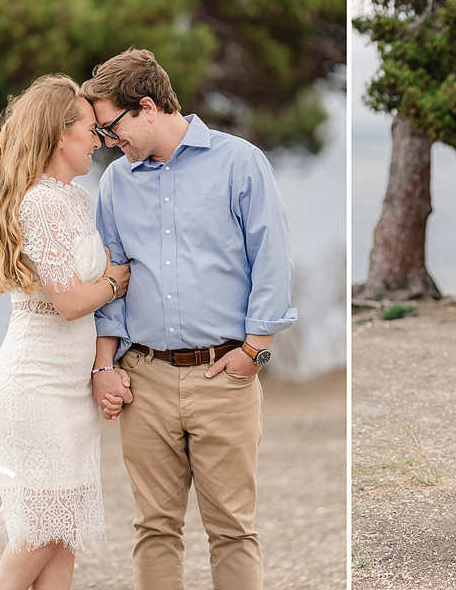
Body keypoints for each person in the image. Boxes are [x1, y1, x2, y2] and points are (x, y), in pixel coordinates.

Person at [82, 48, 296, 590]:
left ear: (146, 107)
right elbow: (114, 281)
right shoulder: (115, 184)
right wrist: (104, 365)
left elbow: (271, 263)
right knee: (153, 528)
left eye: (110, 128)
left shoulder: (240, 161)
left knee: (231, 529)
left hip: (224, 374)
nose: (107, 143)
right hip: (145, 378)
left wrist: (255, 353)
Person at [0, 74, 131, 590]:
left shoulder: (77, 200)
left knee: (65, 534)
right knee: (39, 529)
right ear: (61, 135)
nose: (99, 139)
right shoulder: (39, 202)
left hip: (71, 388)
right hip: (35, 383)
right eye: (90, 128)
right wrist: (113, 282)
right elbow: (68, 302)